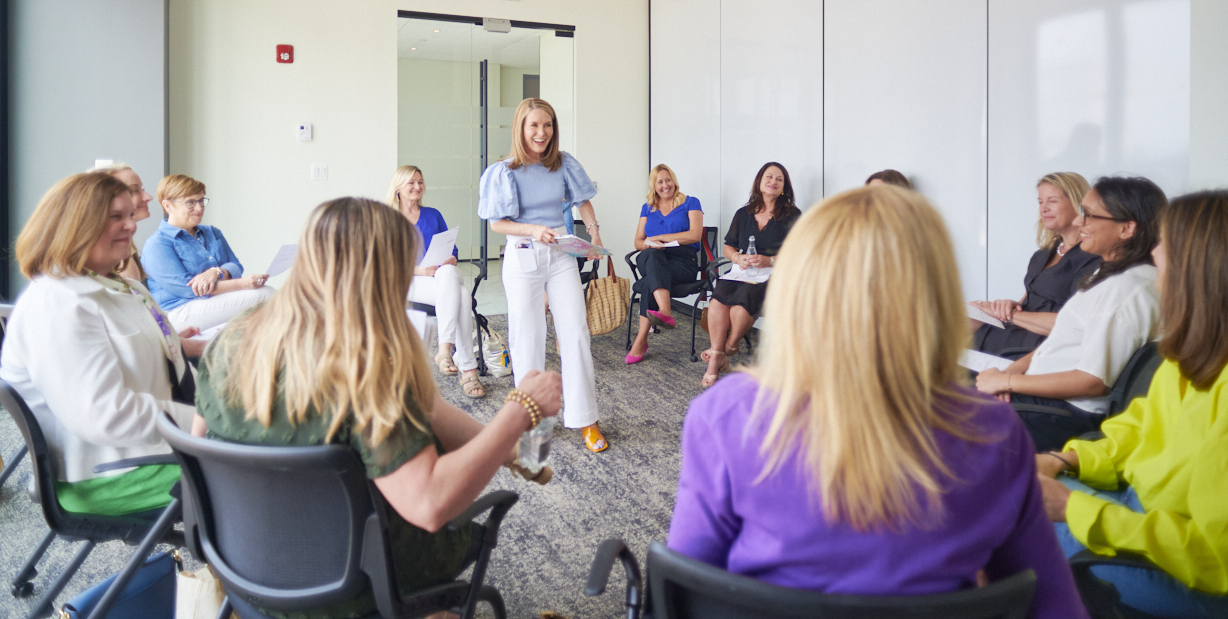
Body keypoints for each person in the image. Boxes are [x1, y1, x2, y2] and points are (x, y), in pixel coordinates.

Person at [669, 185, 1085, 619]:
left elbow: (685, 590)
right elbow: (1053, 605)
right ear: (936, 295)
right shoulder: (993, 432)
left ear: (797, 288)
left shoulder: (726, 415)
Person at [197, 197, 561, 619]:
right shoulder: (364, 371)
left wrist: (511, 451)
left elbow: (199, 445)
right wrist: (518, 411)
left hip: (245, 571)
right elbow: (429, 504)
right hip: (349, 589)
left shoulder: (232, 338)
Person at [1036, 190, 1228, 618]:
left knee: (1001, 523)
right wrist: (1064, 459)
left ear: (1201, 268)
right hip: (1140, 517)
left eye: (1167, 243)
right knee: (1004, 492)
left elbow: (1215, 559)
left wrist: (1072, 508)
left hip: (1189, 576)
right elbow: (1137, 430)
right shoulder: (1189, 357)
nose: (1155, 251)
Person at [0, 172, 203, 517]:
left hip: (159, 449)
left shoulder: (126, 289)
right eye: (116, 217)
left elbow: (175, 373)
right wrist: (205, 420)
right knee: (273, 470)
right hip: (109, 477)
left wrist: (224, 409)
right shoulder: (58, 303)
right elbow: (106, 414)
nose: (132, 225)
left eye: (130, 215)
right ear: (75, 226)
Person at [976, 176, 1164, 451]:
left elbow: (1091, 382)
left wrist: (1007, 381)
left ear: (1127, 228)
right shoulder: (1108, 274)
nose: (1078, 222)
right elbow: (1061, 341)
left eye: (1088, 216)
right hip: (1039, 395)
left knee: (938, 419)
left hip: (1062, 414)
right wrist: (1011, 372)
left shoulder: (1126, 290)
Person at [478, 98, 609, 453]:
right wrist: (533, 230)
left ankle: (587, 419)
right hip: (522, 258)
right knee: (527, 339)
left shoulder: (563, 163)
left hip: (561, 254)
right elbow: (497, 224)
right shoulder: (503, 171)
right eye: (534, 125)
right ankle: (530, 421)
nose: (542, 133)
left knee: (577, 334)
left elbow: (583, 200)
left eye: (547, 125)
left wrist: (594, 232)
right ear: (521, 128)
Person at [969, 172, 1101, 355]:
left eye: (1052, 201)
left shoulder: (1091, 259)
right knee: (964, 316)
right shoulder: (1042, 254)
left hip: (1037, 348)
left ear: (1078, 204)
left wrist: (1013, 316)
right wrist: (1008, 305)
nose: (1044, 209)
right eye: (1040, 202)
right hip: (1015, 334)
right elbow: (1027, 301)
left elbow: (1075, 325)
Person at [387, 165, 485, 398]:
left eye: (420, 182)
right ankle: (468, 369)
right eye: (411, 182)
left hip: (441, 278)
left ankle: (444, 350)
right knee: (461, 296)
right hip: (407, 281)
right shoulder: (387, 219)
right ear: (398, 187)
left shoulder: (433, 214)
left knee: (448, 274)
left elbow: (452, 248)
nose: (417, 187)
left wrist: (452, 258)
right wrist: (419, 270)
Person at [701, 162, 801, 387]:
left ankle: (729, 348)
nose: (773, 181)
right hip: (742, 271)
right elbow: (729, 246)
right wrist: (737, 258)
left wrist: (771, 260)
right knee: (718, 298)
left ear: (784, 186)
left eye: (779, 179)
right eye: (769, 177)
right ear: (759, 181)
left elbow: (799, 252)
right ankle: (718, 355)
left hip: (772, 275)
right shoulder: (744, 213)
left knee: (740, 303)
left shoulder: (792, 215)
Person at [141, 174, 274, 331]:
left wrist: (215, 272)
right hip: (179, 312)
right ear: (168, 206)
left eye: (201, 200)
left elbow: (236, 266)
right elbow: (189, 290)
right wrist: (242, 284)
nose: (199, 208)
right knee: (266, 295)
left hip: (213, 301)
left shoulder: (212, 232)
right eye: (190, 202)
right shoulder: (157, 244)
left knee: (263, 315)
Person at [626, 164, 704, 364]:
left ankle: (641, 340)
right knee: (653, 256)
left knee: (647, 284)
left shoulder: (690, 203)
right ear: (654, 186)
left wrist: (661, 237)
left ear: (674, 181)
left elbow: (695, 234)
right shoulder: (647, 208)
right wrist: (650, 243)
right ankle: (665, 310)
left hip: (682, 262)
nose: (665, 185)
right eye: (659, 182)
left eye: (668, 180)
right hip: (652, 256)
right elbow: (637, 241)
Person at [92, 163, 153, 283]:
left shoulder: (126, 247)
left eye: (142, 189)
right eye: (134, 191)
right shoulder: (114, 257)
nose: (148, 197)